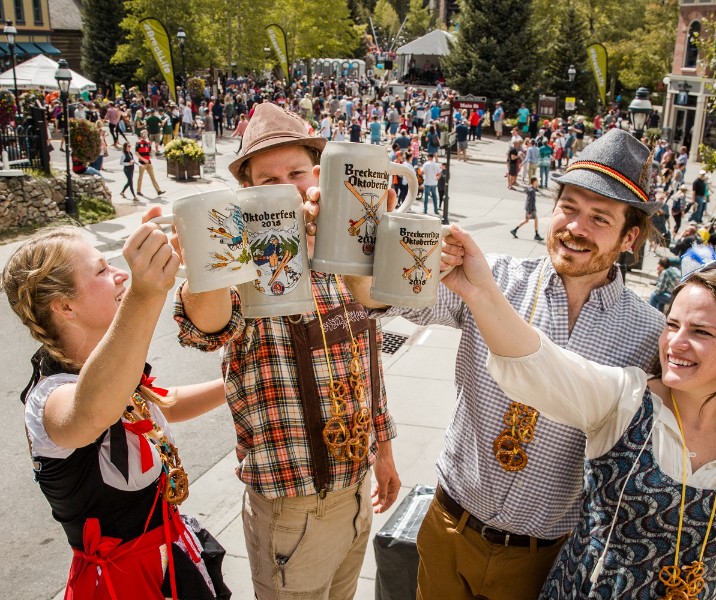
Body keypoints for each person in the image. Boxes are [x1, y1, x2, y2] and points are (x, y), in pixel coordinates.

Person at [334, 128, 666, 599]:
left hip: (544, 558)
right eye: (569, 207)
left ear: (630, 237)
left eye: (599, 218)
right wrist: (346, 234)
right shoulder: (496, 278)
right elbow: (379, 299)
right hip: (449, 530)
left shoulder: (648, 335)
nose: (576, 227)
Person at [438, 234, 716, 599]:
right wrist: (480, 292)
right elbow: (540, 366)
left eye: (700, 331)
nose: (676, 343)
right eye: (672, 325)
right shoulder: (627, 399)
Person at [174, 102, 400, 599]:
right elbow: (205, 326)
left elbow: (369, 359)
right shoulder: (238, 264)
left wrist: (383, 453)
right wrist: (204, 263)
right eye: (265, 180)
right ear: (247, 193)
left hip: (357, 486)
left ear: (316, 175)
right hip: (291, 508)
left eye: (295, 172)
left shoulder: (344, 253)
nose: (286, 188)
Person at [1, 220, 232, 600]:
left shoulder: (111, 367)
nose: (120, 274)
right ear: (65, 307)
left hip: (172, 554)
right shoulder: (51, 398)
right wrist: (146, 293)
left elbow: (161, 404)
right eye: (102, 270)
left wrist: (235, 386)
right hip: (121, 583)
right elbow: (92, 413)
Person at [510, 177, 543, 241]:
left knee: (527, 220)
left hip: (530, 208)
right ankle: (536, 234)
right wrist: (529, 212)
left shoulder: (531, 189)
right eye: (537, 181)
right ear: (534, 182)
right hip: (531, 209)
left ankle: (515, 230)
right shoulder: (531, 191)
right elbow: (529, 201)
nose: (537, 183)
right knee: (535, 220)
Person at [136, 130, 165, 197]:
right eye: (143, 134)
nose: (145, 135)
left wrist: (151, 155)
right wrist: (143, 159)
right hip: (142, 163)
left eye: (146, 134)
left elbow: (149, 152)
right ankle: (138, 190)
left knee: (153, 177)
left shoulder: (148, 143)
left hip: (148, 162)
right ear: (141, 135)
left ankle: (158, 190)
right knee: (140, 177)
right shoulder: (138, 143)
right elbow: (136, 153)